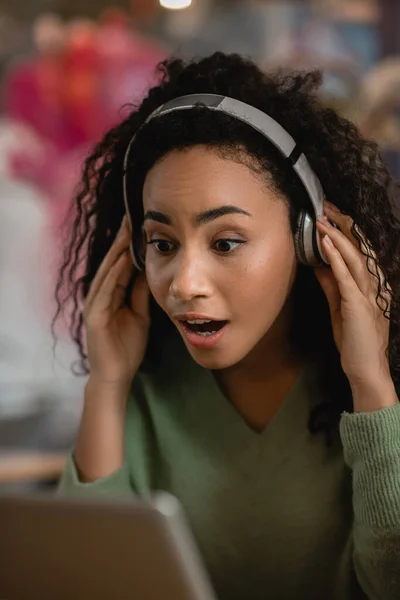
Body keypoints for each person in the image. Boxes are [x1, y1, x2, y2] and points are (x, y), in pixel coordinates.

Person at [56, 53, 400, 600]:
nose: (184, 283)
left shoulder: (373, 389)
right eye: (163, 244)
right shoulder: (145, 384)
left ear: (311, 239)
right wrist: (108, 383)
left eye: (226, 242)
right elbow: (85, 580)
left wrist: (371, 382)